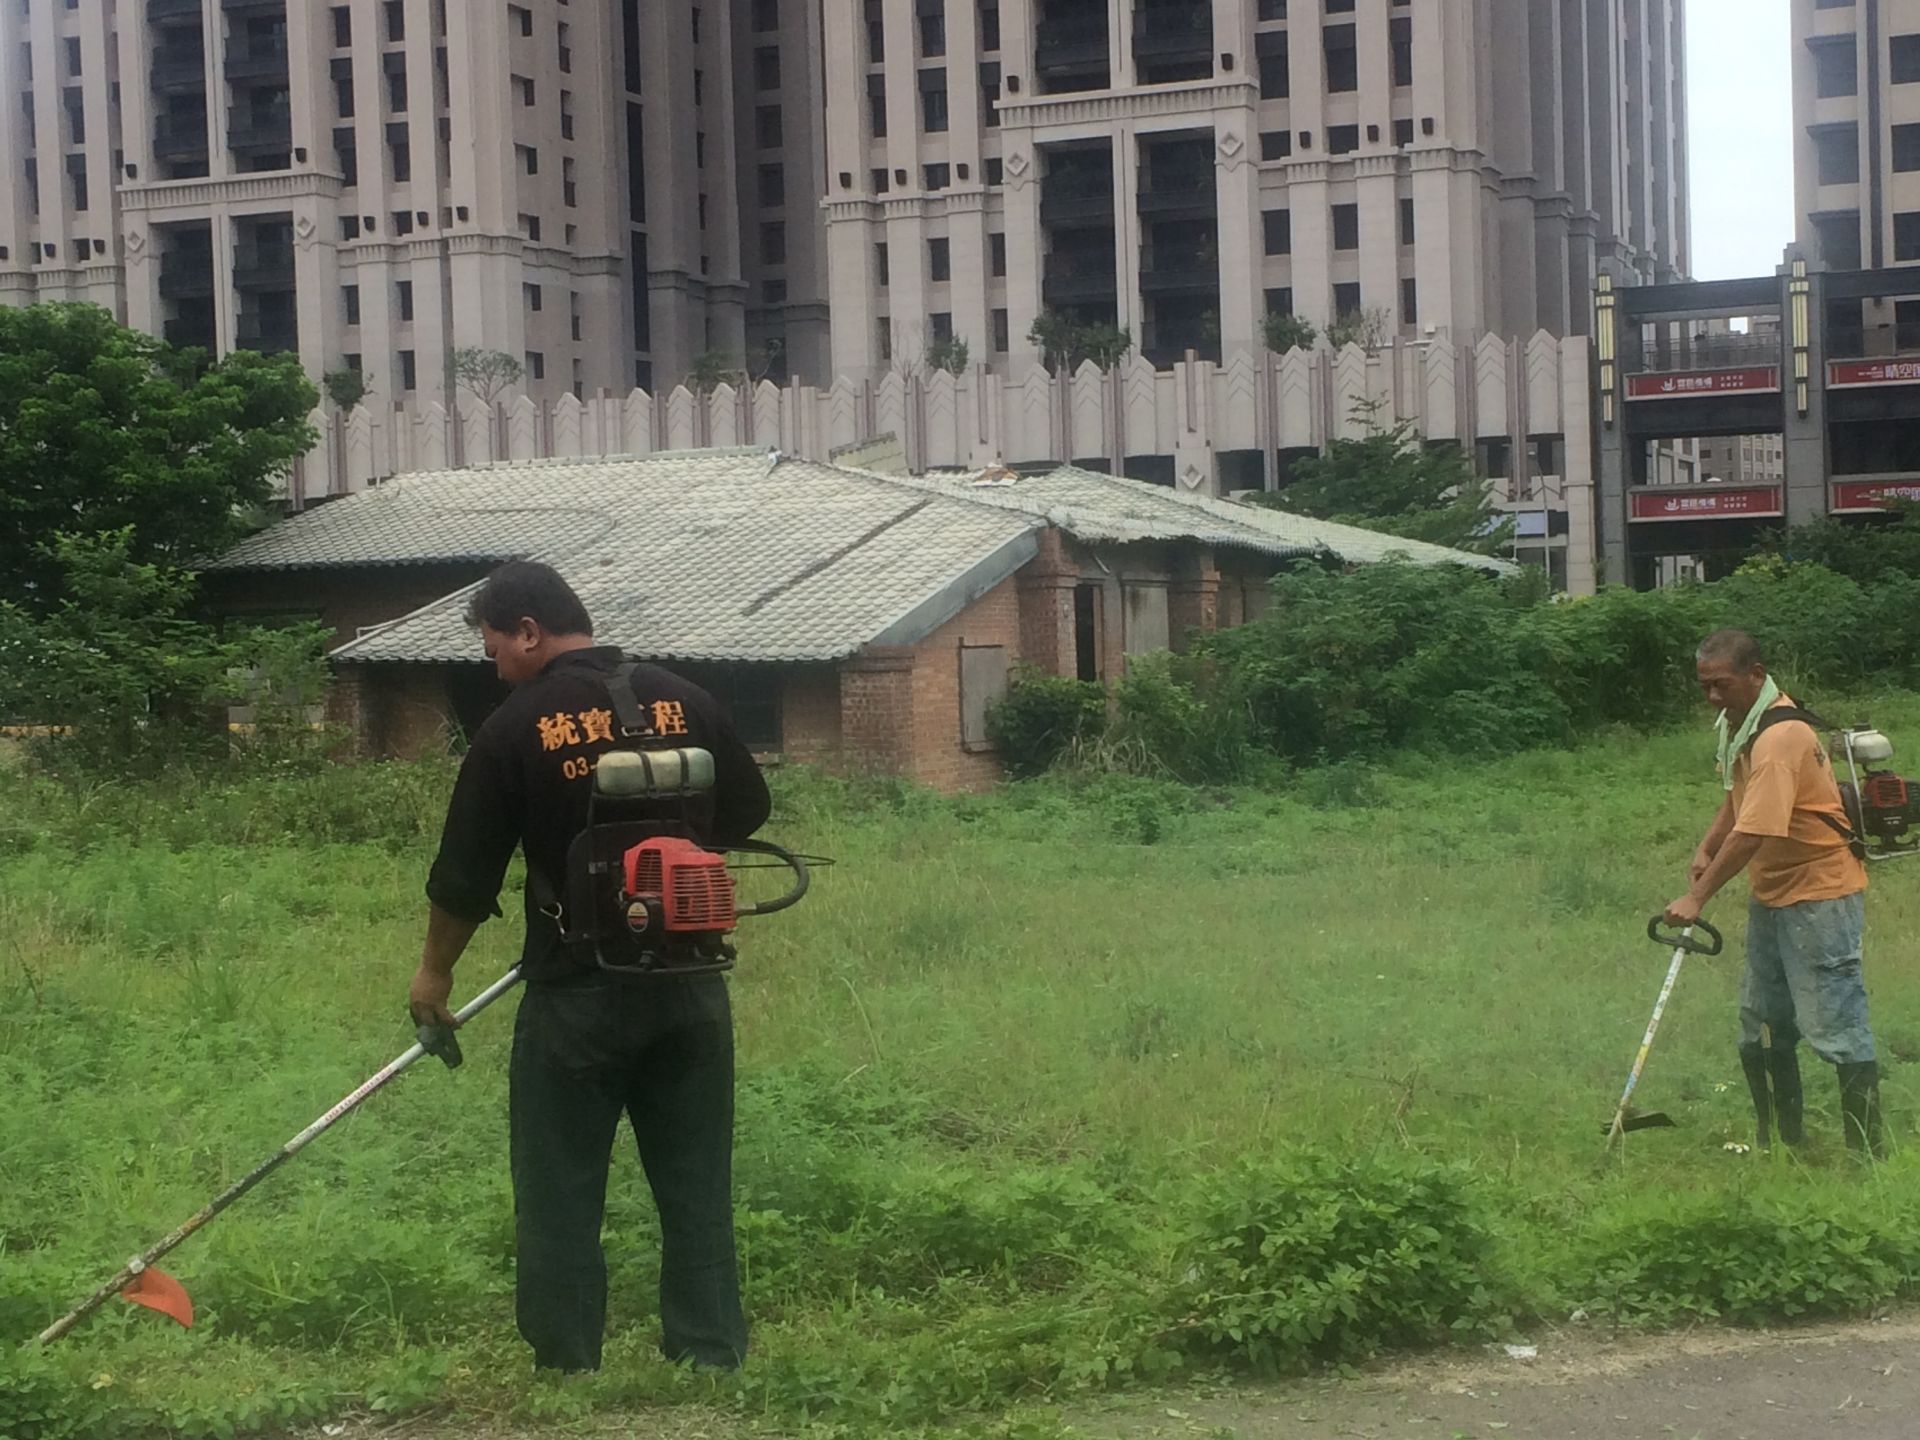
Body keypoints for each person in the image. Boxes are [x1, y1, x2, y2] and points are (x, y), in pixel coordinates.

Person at [407, 559, 772, 1370]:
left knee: (558, 1185)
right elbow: (749, 807)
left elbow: (464, 875)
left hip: (574, 996)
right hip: (690, 984)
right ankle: (709, 1350)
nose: (495, 669)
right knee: (697, 1180)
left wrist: (434, 974)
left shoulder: (515, 727)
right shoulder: (687, 699)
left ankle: (568, 1360)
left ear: (529, 632)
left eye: (495, 650)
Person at [1664, 628, 1883, 1157]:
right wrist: (1706, 846)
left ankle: (1867, 1154)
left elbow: (1756, 829)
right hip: (1772, 892)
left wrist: (1698, 897)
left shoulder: (1781, 736)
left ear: (1756, 675)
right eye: (1704, 685)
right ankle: (1782, 1144)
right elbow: (1739, 798)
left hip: (1821, 895)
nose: (1712, 696)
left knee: (1835, 1022)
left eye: (1721, 684)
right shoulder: (1740, 722)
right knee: (1761, 1021)